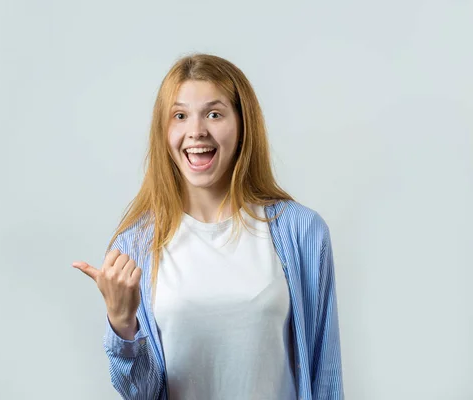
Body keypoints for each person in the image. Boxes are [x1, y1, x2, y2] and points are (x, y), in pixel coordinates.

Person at [72, 53, 344, 400]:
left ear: (243, 125)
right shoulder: (134, 247)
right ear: (163, 131)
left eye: (214, 114)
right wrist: (122, 326)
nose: (196, 131)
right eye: (180, 116)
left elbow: (326, 374)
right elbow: (141, 394)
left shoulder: (302, 232)